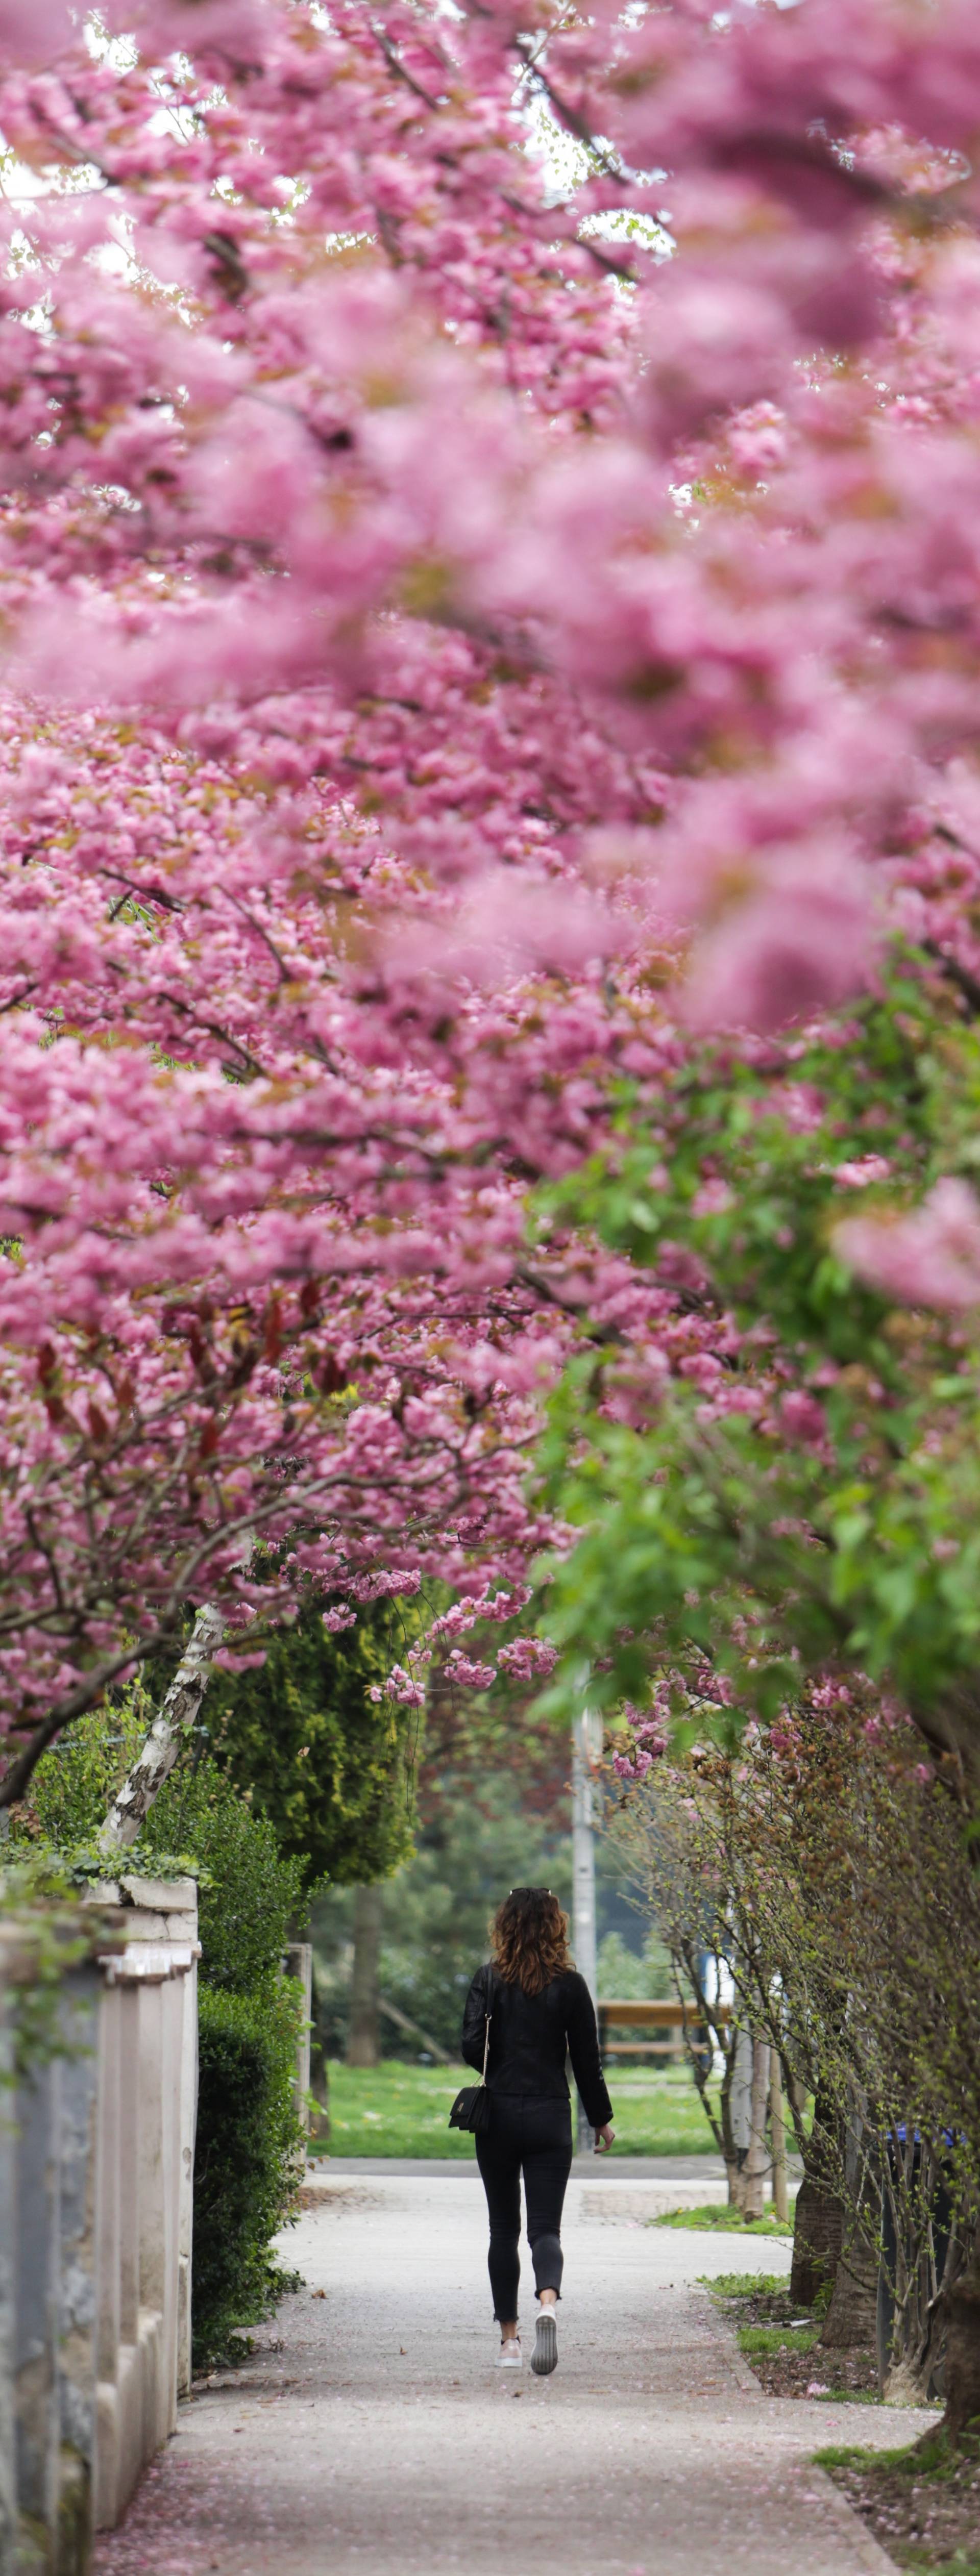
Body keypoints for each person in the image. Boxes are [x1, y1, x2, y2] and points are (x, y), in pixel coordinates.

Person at [461, 1885, 615, 2377]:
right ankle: (548, 2303)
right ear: (556, 1925)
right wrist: (601, 2119)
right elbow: (587, 2062)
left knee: (503, 2230)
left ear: (505, 1925)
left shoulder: (489, 1978)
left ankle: (509, 2340)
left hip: (499, 2116)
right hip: (551, 2114)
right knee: (546, 2228)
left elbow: (470, 2047)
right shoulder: (571, 1985)